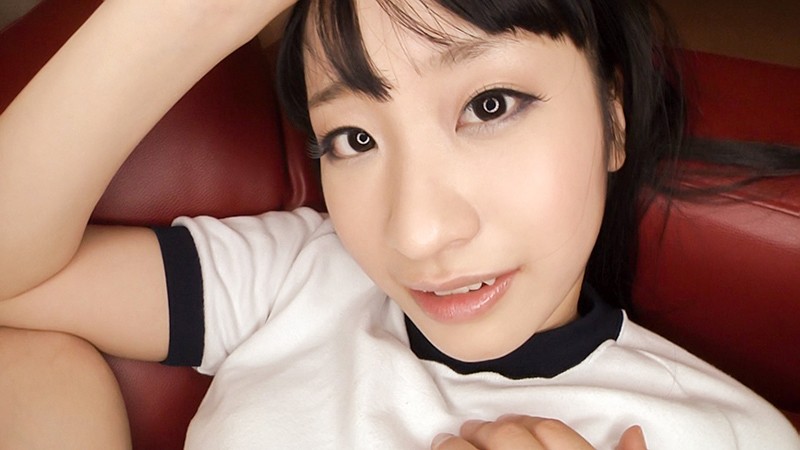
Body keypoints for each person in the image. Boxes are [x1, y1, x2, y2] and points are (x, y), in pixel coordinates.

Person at [0, 0, 797, 448]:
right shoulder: (296, 278)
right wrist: (165, 22)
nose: (416, 234)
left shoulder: (734, 437)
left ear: (613, 118)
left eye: (490, 105)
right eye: (354, 139)